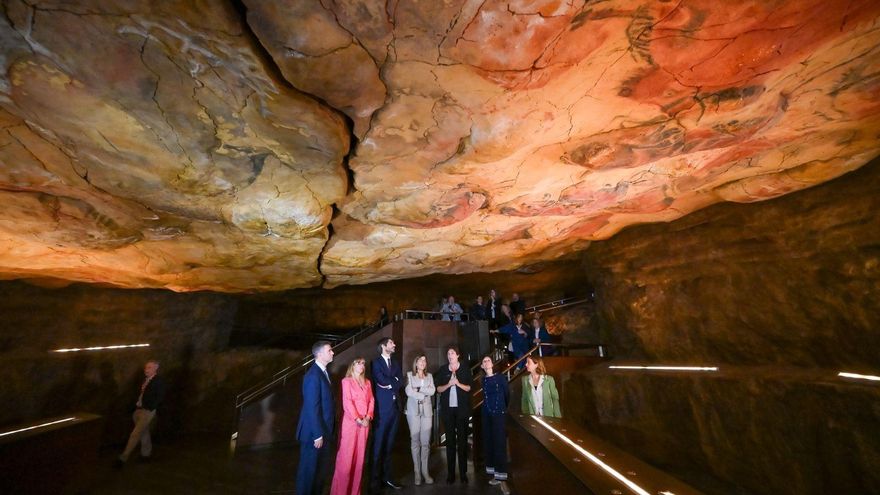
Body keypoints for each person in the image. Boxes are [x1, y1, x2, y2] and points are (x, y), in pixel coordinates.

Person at [296, 341, 336, 495]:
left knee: (319, 473)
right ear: (319, 354)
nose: (332, 352)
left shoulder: (324, 373)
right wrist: (317, 434)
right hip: (314, 434)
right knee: (308, 473)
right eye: (329, 350)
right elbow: (312, 408)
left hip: (323, 432)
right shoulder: (313, 376)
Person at [330, 357, 374, 495]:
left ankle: (355, 492)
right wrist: (358, 418)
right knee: (346, 460)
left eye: (363, 364)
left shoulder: (367, 382)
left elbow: (371, 400)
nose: (362, 366)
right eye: (359, 363)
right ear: (352, 366)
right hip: (351, 423)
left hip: (365, 424)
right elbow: (347, 402)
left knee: (359, 460)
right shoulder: (346, 381)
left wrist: (367, 417)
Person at [434, 346, 473, 484]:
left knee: (462, 442)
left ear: (457, 355)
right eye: (448, 353)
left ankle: (463, 473)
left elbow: (469, 387)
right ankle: (451, 474)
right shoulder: (443, 369)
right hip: (448, 411)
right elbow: (438, 389)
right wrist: (449, 385)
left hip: (462, 411)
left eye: (452, 353)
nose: (449, 355)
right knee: (450, 442)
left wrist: (458, 383)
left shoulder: (465, 369)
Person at [116, 360, 165, 466]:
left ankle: (123, 457)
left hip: (147, 411)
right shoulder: (146, 380)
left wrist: (150, 407)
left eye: (149, 368)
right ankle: (146, 454)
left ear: (156, 368)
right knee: (144, 432)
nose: (146, 370)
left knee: (135, 434)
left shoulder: (158, 381)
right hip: (139, 410)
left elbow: (160, 396)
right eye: (146, 368)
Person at [371, 338, 404, 490]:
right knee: (378, 446)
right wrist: (393, 381)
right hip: (382, 410)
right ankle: (374, 481)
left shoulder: (396, 363)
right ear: (384, 346)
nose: (394, 344)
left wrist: (391, 382)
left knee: (389, 446)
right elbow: (381, 380)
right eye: (391, 343)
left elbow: (400, 381)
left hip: (395, 409)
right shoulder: (376, 362)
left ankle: (388, 478)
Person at [405, 354, 436, 485]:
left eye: (424, 360)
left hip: (427, 413)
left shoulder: (429, 376)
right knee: (415, 441)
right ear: (416, 363)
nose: (423, 362)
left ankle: (425, 471)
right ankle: (417, 472)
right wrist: (423, 394)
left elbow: (433, 391)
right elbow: (408, 392)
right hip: (413, 412)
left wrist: (418, 388)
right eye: (420, 360)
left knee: (425, 443)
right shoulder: (409, 375)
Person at [480, 355, 510, 485]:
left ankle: (501, 474)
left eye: (488, 360)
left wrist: (502, 408)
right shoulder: (482, 380)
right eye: (484, 361)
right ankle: (493, 471)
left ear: (492, 364)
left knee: (499, 442)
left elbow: (507, 394)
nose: (486, 363)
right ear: (482, 366)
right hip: (487, 413)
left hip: (499, 413)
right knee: (489, 441)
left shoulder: (500, 377)